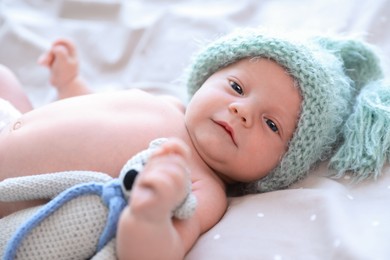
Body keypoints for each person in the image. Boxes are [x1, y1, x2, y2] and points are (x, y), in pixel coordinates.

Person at [0, 28, 389, 259]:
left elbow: (155, 252)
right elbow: (89, 114)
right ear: (205, 77)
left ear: (280, 167)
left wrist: (151, 213)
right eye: (236, 87)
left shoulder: (202, 187)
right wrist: (70, 84)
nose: (241, 111)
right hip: (13, 120)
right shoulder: (169, 104)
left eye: (271, 124)